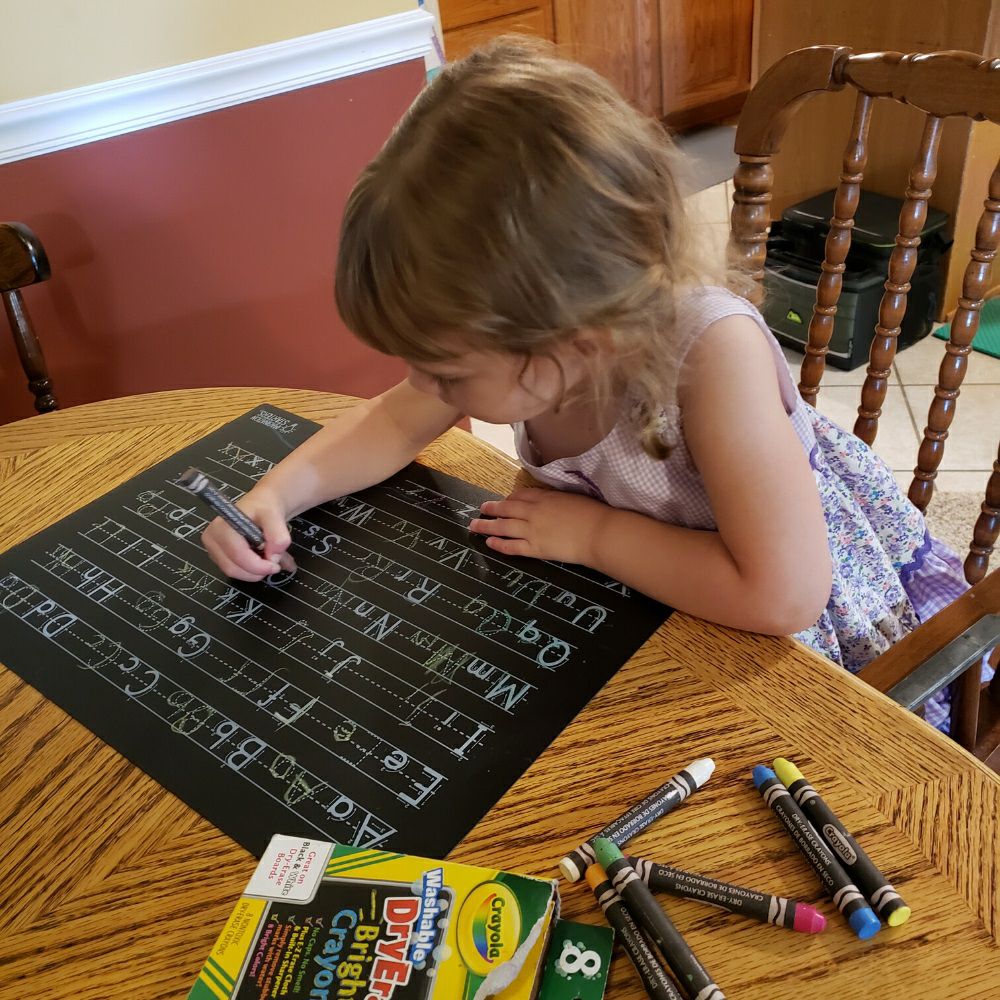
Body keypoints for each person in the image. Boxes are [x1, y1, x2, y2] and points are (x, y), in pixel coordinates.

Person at [202, 38, 976, 730]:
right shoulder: (522, 333)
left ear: (575, 339)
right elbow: (394, 423)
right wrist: (278, 493)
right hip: (649, 606)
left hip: (792, 645)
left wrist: (595, 536)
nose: (422, 385)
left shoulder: (712, 359)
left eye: (445, 372)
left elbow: (782, 596)